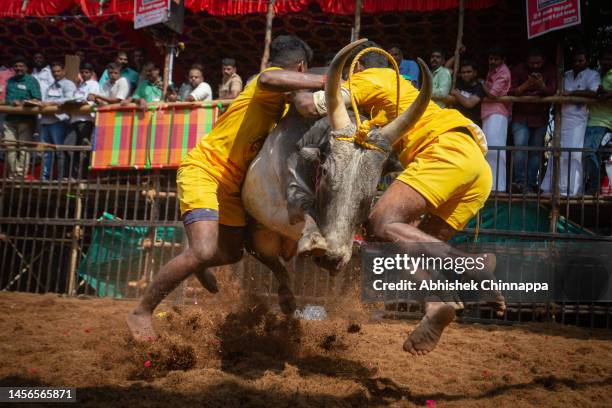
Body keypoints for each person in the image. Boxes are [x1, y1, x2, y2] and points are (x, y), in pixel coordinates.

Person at [293, 41, 500, 357]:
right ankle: (436, 301)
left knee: (380, 224)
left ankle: (470, 266)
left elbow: (311, 106)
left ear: (360, 68)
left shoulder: (369, 79)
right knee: (404, 248)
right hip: (477, 169)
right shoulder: (404, 88)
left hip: (445, 152)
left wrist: (291, 85)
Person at [126, 35, 327, 341]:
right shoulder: (263, 81)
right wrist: (326, 80)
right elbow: (272, 77)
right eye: (303, 72)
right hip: (204, 170)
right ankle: (141, 311)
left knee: (231, 252)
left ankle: (196, 261)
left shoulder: (279, 102)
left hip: (232, 185)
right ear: (300, 67)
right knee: (204, 249)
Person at [542, 49, 600, 196]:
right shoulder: (565, 75)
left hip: (578, 121)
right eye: (575, 60)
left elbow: (593, 93)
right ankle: (553, 188)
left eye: (581, 60)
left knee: (573, 154)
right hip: (562, 118)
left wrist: (571, 94)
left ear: (587, 61)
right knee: (558, 153)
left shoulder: (592, 75)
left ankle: (572, 191)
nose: (577, 63)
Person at [509, 49, 556, 194]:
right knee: (520, 149)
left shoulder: (551, 70)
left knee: (535, 152)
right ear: (526, 61)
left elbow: (552, 90)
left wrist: (541, 86)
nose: (535, 66)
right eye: (532, 63)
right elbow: (511, 91)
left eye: (538, 63)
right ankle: (520, 183)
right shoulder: (518, 70)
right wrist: (527, 85)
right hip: (520, 116)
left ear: (543, 61)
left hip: (540, 117)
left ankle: (530, 184)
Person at [3, 56, 41, 179]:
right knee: (10, 146)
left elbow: (37, 99)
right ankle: (13, 173)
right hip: (9, 119)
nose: (18, 68)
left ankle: (20, 174)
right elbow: (7, 99)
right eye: (16, 66)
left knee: (24, 147)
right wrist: (11, 102)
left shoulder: (31, 80)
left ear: (26, 68)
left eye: (21, 66)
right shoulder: (10, 81)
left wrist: (23, 102)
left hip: (26, 119)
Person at [481, 45, 511, 192]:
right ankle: (491, 184)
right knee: (489, 148)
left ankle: (498, 186)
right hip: (490, 112)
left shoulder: (503, 72)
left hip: (497, 113)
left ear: (503, 60)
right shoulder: (492, 71)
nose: (492, 61)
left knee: (495, 149)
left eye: (496, 59)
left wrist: (481, 85)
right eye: (491, 58)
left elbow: (492, 95)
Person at [40, 61, 76, 181]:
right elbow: (44, 100)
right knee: (46, 152)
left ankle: (61, 177)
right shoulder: (51, 85)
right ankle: (45, 178)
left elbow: (70, 99)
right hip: (45, 121)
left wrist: (51, 103)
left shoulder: (68, 84)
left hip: (58, 122)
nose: (56, 74)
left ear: (64, 71)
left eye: (58, 71)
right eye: (54, 72)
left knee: (59, 150)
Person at [583, 48, 612, 195]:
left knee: (589, 151)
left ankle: (593, 188)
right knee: (587, 153)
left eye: (609, 59)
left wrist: (606, 94)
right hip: (588, 120)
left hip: (603, 122)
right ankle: (592, 185)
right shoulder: (596, 74)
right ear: (600, 60)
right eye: (604, 59)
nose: (607, 62)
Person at [66, 62, 100, 177]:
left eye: (87, 72)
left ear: (91, 73)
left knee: (84, 149)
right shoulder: (80, 85)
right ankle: (74, 175)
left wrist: (84, 102)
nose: (84, 74)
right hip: (75, 119)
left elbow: (92, 101)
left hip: (85, 120)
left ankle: (84, 176)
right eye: (82, 72)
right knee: (69, 146)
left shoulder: (94, 84)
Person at [449, 59, 485, 126]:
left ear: (475, 73)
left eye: (469, 72)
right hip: (455, 123)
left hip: (471, 125)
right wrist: (456, 54)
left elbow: (469, 104)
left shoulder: (479, 88)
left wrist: (457, 94)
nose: (466, 74)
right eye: (463, 72)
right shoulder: (458, 82)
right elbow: (446, 69)